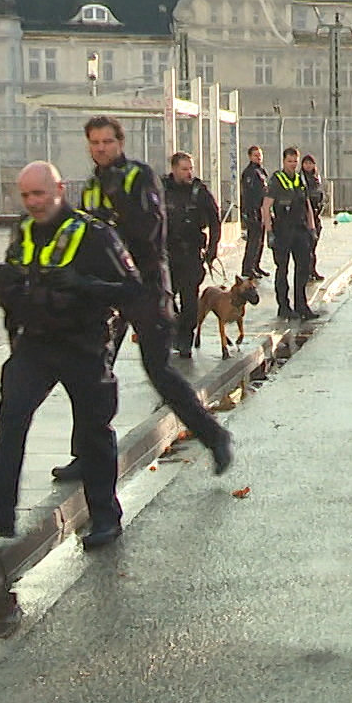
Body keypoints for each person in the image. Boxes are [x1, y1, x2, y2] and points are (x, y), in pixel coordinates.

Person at [0, 162, 138, 550]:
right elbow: (20, 287)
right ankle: (0, 510)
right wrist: (6, 285)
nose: (32, 203)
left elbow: (131, 289)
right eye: (25, 196)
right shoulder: (23, 232)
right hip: (36, 345)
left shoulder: (93, 235)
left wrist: (84, 284)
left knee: (94, 433)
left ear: (59, 188)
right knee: (11, 418)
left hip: (83, 345)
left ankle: (106, 516)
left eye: (39, 193)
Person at [58, 115, 234, 482]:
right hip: (105, 290)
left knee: (159, 371)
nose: (101, 148)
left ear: (120, 143)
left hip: (145, 286)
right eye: (94, 142)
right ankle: (86, 453)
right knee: (92, 370)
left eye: (107, 141)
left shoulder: (138, 176)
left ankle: (214, 436)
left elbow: (149, 231)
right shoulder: (92, 185)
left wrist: (111, 228)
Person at [163, 152, 221, 360]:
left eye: (191, 169)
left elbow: (215, 221)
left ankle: (185, 338)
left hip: (190, 255)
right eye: (184, 169)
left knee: (190, 302)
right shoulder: (161, 189)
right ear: (174, 169)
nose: (189, 173)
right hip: (166, 254)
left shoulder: (200, 191)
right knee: (164, 299)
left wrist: (212, 250)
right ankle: (174, 328)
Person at [264, 147, 319, 320]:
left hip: (300, 230)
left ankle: (302, 306)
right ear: (283, 161)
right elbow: (266, 207)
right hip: (282, 231)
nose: (293, 164)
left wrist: (312, 228)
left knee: (303, 268)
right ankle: (284, 306)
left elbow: (307, 204)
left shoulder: (300, 179)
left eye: (295, 161)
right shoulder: (276, 180)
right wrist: (269, 232)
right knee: (282, 270)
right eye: (290, 161)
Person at [238, 145, 269, 279]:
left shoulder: (260, 171)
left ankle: (256, 265)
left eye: (260, 154)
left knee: (260, 239)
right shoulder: (250, 172)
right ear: (250, 157)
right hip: (253, 209)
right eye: (256, 155)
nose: (259, 157)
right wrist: (249, 211)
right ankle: (248, 268)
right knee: (253, 239)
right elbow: (249, 194)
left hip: (261, 208)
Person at [301, 153, 326, 281]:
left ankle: (312, 270)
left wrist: (320, 207)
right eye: (306, 163)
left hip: (316, 217)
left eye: (310, 163)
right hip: (304, 218)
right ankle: (306, 272)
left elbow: (321, 195)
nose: (308, 165)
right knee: (306, 248)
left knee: (313, 247)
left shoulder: (316, 179)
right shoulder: (300, 179)